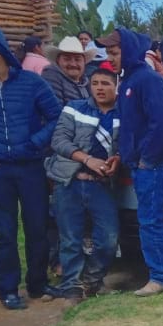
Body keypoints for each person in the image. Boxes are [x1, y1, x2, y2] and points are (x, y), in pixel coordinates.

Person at [0, 27, 61, 309]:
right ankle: (8, 290)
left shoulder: (32, 83)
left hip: (30, 167)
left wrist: (35, 144)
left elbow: (55, 117)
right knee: (4, 232)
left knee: (37, 229)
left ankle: (38, 283)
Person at [103, 27, 163, 296]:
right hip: (147, 162)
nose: (111, 57)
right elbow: (132, 126)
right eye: (108, 52)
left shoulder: (146, 80)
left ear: (128, 51)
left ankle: (160, 276)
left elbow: (161, 122)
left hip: (156, 164)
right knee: (161, 219)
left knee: (151, 221)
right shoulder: (129, 81)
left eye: (115, 52)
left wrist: (146, 159)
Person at [44, 67, 121, 300]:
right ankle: (71, 287)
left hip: (101, 184)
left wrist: (119, 158)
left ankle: (91, 279)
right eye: (95, 83)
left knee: (109, 238)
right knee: (70, 238)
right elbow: (58, 140)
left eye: (105, 83)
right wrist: (87, 159)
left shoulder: (124, 114)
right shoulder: (75, 108)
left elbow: (130, 144)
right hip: (70, 181)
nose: (99, 87)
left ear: (116, 86)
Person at [41, 36, 94, 105]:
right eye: (67, 59)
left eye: (77, 59)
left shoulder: (85, 81)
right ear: (58, 61)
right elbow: (56, 111)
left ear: (84, 62)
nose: (73, 64)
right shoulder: (51, 76)